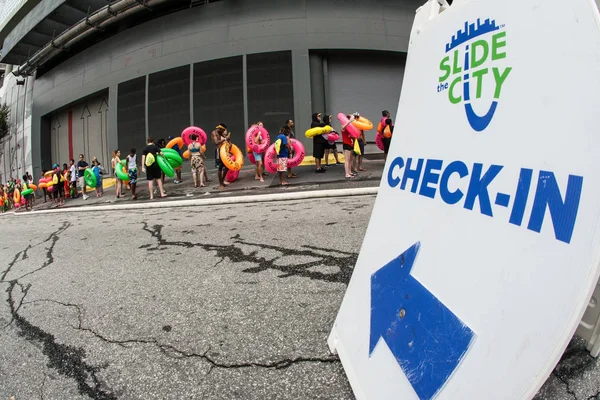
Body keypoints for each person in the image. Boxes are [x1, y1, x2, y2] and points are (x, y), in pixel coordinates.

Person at [212, 124, 231, 189]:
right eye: (223, 130)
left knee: (227, 166)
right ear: (220, 129)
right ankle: (220, 184)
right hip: (218, 150)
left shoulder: (222, 133)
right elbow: (216, 142)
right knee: (220, 168)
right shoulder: (214, 133)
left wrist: (228, 139)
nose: (224, 131)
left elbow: (228, 142)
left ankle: (222, 181)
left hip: (224, 151)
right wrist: (225, 138)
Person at [341, 114, 357, 179]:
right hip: (346, 144)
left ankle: (349, 172)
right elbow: (342, 128)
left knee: (350, 159)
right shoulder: (343, 125)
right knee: (347, 159)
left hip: (351, 144)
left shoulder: (349, 127)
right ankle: (347, 174)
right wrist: (349, 121)